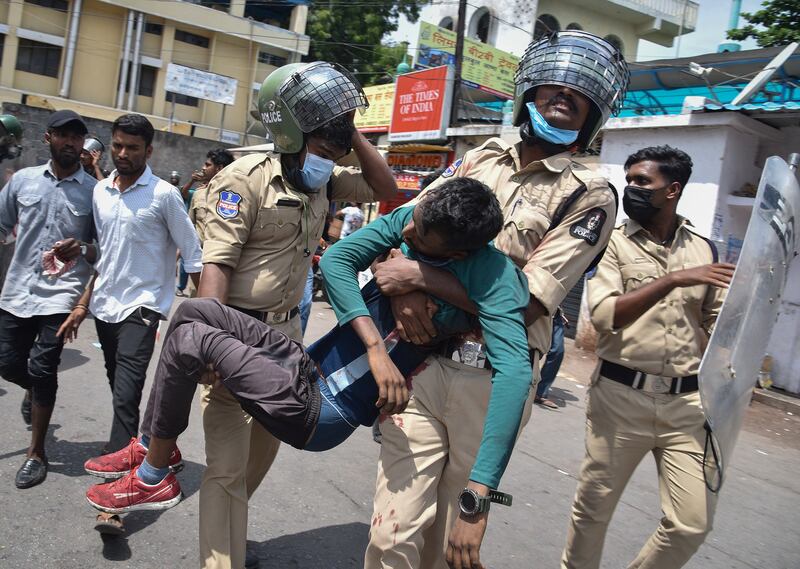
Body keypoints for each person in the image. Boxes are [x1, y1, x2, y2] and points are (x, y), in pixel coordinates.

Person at [83, 179, 532, 527]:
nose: (406, 227)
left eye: (420, 235)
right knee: (193, 312)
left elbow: (514, 374)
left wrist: (482, 488)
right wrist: (378, 341)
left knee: (189, 341)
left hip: (323, 409)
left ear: (455, 251)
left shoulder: (495, 280)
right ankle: (151, 445)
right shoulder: (421, 218)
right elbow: (337, 261)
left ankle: (153, 478)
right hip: (306, 365)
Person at [362, 30, 630, 569]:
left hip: (492, 382)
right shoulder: (479, 157)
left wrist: (418, 278)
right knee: (391, 537)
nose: (563, 97)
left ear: (592, 117)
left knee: (447, 543)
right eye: (554, 85)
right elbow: (407, 228)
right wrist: (402, 292)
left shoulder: (589, 193)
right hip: (422, 363)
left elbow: (526, 303)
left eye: (578, 96)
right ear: (528, 91)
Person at [188, 62, 395, 569]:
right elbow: (216, 266)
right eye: (322, 149)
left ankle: (231, 537)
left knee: (265, 449)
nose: (327, 160)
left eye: (334, 151)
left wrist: (352, 133)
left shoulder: (321, 180)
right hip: (236, 330)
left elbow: (383, 186)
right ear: (289, 132)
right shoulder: (243, 180)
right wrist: (212, 344)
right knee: (225, 467)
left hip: (286, 337)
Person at [560, 146, 735, 569]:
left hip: (687, 407)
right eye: (630, 179)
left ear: (672, 189)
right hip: (621, 399)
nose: (631, 188)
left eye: (643, 182)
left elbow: (719, 325)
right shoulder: (613, 244)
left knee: (691, 524)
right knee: (593, 512)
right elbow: (603, 316)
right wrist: (672, 280)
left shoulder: (704, 249)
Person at [63, 114, 202, 459]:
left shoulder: (164, 195)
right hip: (105, 305)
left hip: (143, 308)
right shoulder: (100, 192)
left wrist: (208, 319)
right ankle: (146, 448)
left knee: (126, 394)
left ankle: (117, 479)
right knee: (119, 387)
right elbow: (104, 254)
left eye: (133, 148)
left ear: (149, 151)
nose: (123, 153)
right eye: (118, 145)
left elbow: (193, 254)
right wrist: (83, 303)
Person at [0, 109, 95, 488]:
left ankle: (36, 452)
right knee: (7, 363)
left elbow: (106, 249)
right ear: (48, 139)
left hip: (62, 297)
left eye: (76, 136)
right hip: (18, 291)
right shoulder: (22, 181)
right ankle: (31, 390)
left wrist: (84, 247)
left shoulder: (94, 193)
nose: (70, 142)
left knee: (43, 369)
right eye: (63, 135)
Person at [177, 148, 234, 296]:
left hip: (222, 267)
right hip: (199, 265)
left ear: (219, 168)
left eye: (207, 165)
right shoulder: (198, 194)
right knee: (197, 307)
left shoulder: (233, 196)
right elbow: (188, 228)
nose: (203, 167)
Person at [534, 307, 567, 410]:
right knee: (535, 349)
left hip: (555, 314)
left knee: (558, 351)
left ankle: (540, 392)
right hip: (539, 309)